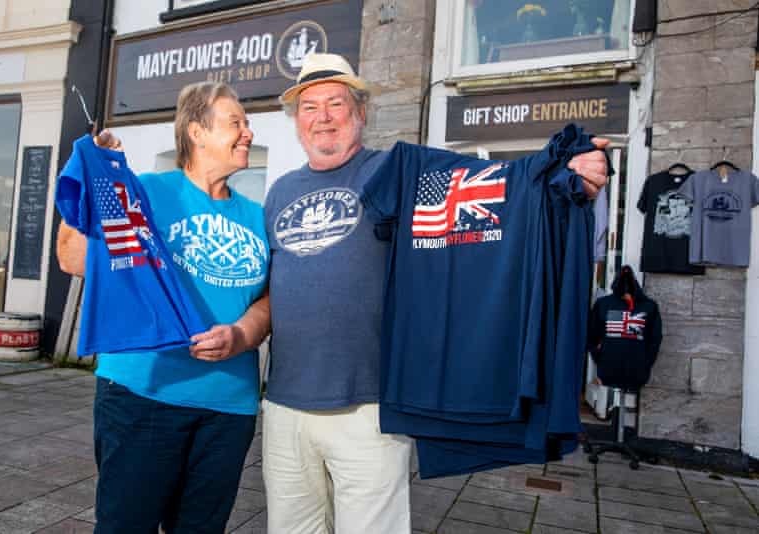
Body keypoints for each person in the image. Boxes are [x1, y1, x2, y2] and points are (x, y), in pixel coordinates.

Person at [261, 53, 610, 534]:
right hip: (284, 405)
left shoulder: (398, 174)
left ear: (360, 112)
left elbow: (498, 190)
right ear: (296, 121)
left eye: (335, 103)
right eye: (309, 106)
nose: (322, 117)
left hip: (368, 407)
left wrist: (562, 174)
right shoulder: (279, 191)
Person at [56, 81, 271, 534]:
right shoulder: (147, 193)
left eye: (247, 123)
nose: (248, 132)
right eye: (236, 122)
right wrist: (99, 183)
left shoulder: (256, 215)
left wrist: (242, 334)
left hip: (228, 406)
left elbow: (268, 299)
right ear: (196, 132)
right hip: (143, 394)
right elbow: (73, 259)